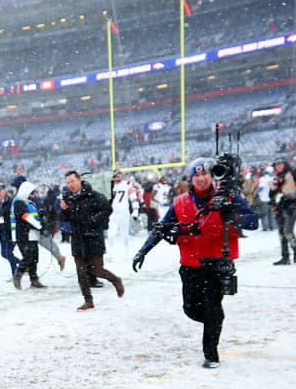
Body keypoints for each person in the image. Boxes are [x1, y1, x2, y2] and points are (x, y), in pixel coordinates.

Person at [132, 157, 258, 368]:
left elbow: (253, 221)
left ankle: (211, 354)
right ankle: (215, 319)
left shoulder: (229, 197)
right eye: (196, 175)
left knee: (210, 306)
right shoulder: (180, 202)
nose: (201, 179)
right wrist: (143, 250)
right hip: (190, 265)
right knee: (190, 308)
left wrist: (232, 215)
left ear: (212, 176)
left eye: (204, 174)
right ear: (191, 179)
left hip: (217, 263)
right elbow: (163, 228)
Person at [61, 170, 123, 311]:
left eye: (72, 181)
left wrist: (94, 221)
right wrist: (63, 210)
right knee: (81, 272)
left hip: (93, 237)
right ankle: (88, 301)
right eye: (68, 182)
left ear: (79, 180)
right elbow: (64, 218)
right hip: (77, 238)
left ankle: (116, 280)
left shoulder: (94, 195)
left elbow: (107, 209)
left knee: (97, 270)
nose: (70, 185)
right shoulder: (68, 198)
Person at [10, 178, 45, 289]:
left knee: (34, 257)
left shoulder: (30, 203)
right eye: (32, 193)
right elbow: (26, 216)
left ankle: (34, 279)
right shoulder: (18, 202)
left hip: (32, 234)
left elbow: (34, 216)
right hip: (23, 234)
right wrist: (39, 226)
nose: (34, 195)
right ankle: (18, 275)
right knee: (28, 256)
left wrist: (41, 216)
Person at [269, 157, 296, 265]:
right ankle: (285, 257)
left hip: (291, 207)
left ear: (284, 164)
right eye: (276, 165)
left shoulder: (293, 173)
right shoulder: (276, 178)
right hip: (279, 208)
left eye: (280, 164)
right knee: (281, 233)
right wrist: (273, 191)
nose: (278, 166)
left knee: (288, 231)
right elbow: (271, 195)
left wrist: (292, 196)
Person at [0, 183, 20, 279]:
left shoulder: (11, 202)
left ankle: (16, 273)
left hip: (10, 231)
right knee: (4, 254)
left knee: (8, 253)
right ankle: (22, 266)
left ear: (5, 190)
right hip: (1, 231)